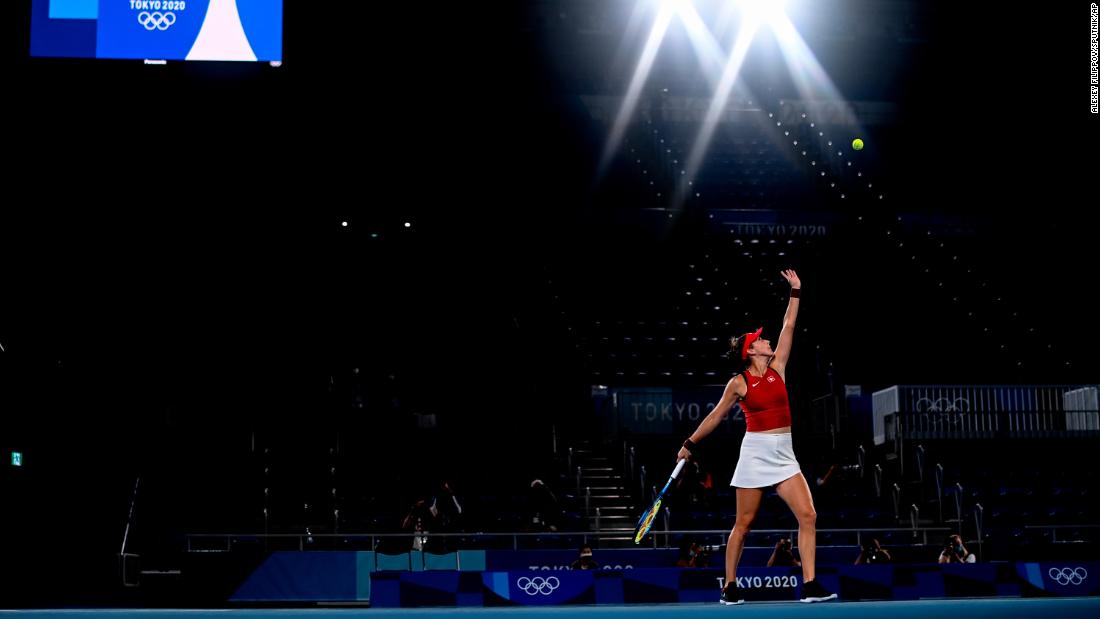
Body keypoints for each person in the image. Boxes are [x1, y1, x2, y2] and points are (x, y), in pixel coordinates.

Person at [677, 270, 836, 605]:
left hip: (784, 452)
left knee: (808, 515)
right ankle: (730, 586)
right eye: (761, 340)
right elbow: (716, 416)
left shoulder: (778, 367)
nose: (767, 341)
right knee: (744, 525)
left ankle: (809, 585)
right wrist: (689, 444)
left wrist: (796, 291)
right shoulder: (738, 383)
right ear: (751, 351)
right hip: (755, 452)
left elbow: (789, 325)